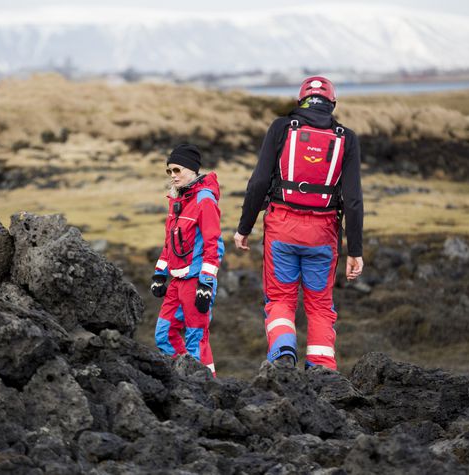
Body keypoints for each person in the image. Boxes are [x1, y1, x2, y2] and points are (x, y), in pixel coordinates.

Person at [234, 76, 364, 371]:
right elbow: (353, 200)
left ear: (299, 102)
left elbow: (258, 184)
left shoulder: (282, 127)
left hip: (282, 229)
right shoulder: (347, 138)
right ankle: (322, 370)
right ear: (332, 104)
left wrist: (245, 227)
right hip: (323, 235)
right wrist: (355, 251)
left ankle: (282, 355)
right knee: (319, 305)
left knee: (280, 299)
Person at [151, 144, 225, 376]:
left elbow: (214, 245)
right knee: (163, 334)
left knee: (197, 340)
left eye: (177, 170)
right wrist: (159, 274)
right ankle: (184, 377)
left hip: (196, 283)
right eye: (169, 172)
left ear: (192, 170)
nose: (173, 176)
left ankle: (206, 384)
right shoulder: (176, 201)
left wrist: (205, 284)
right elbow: (169, 244)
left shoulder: (204, 200)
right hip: (176, 282)